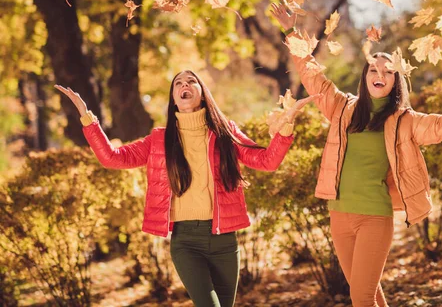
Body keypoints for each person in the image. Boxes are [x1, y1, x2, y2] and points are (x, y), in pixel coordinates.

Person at [271, 3, 442, 307]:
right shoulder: (342, 108)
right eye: (373, 69)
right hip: (339, 215)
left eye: (387, 72)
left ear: (396, 81)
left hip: (374, 217)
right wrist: (291, 32)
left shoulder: (404, 120)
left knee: (361, 297)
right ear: (365, 76)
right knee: (369, 293)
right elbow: (310, 73)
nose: (379, 74)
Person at [55, 70, 319, 307]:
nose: (185, 84)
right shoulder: (159, 139)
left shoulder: (225, 132)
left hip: (224, 240)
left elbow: (267, 161)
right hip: (186, 242)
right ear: (174, 98)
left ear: (202, 94)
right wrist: (87, 117)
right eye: (179, 83)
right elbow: (112, 158)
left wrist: (287, 124)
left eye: (192, 81)